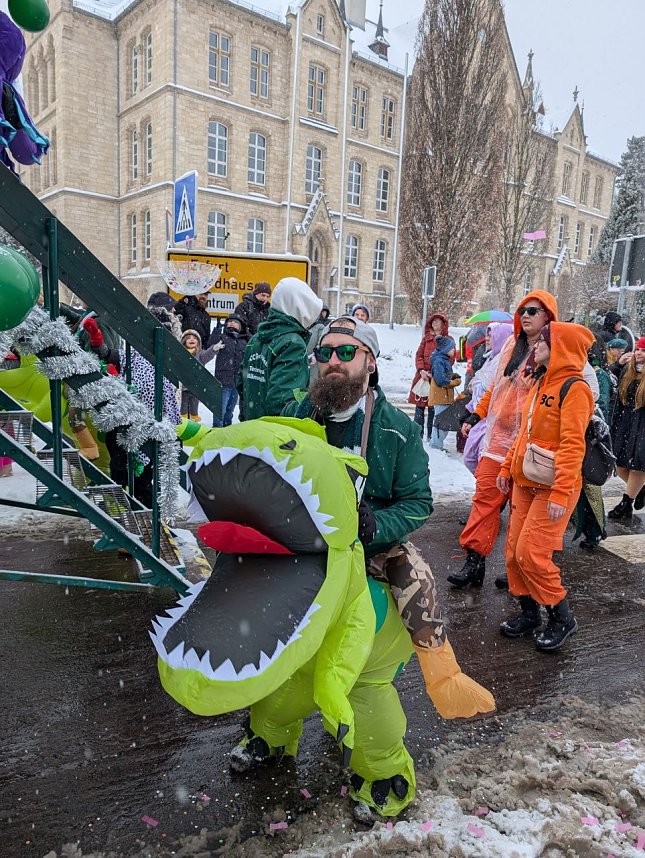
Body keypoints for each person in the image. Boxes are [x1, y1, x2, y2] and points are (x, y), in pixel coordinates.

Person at [283, 316, 495, 808]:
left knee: (414, 582)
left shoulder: (396, 429)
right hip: (303, 548)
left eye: (345, 352)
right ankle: (271, 732)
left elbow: (418, 501)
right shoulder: (298, 414)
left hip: (373, 550)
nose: (332, 361)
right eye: (325, 352)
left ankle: (436, 676)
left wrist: (374, 525)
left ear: (370, 363)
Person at [449, 291, 559, 590]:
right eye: (523, 309)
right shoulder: (512, 345)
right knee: (484, 501)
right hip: (497, 443)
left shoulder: (557, 349)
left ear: (548, 315)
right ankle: (474, 564)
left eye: (534, 311)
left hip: (529, 447)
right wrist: (475, 416)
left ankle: (518, 570)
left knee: (519, 511)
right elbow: (497, 389)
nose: (526, 315)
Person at [496, 321, 594, 652]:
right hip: (526, 481)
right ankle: (529, 614)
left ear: (561, 348)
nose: (535, 345)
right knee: (513, 554)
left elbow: (572, 445)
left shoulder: (574, 388)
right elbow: (525, 433)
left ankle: (561, 617)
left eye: (544, 342)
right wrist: (507, 467)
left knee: (532, 554)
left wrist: (561, 491)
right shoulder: (540, 382)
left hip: (553, 488)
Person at [81, 315, 181, 508]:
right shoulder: (133, 354)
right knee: (119, 468)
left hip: (153, 427)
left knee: (143, 481)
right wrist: (96, 338)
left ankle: (147, 516)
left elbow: (172, 398)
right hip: (125, 422)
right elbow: (106, 354)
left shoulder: (168, 361)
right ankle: (120, 506)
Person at [238, 277, 322, 420]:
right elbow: (282, 402)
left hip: (252, 427)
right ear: (300, 308)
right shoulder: (293, 343)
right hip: (277, 434)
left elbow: (242, 382)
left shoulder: (256, 339)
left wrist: (254, 408)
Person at [463, 323, 514, 474]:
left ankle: (487, 490)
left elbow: (496, 389)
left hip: (492, 421)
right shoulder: (490, 358)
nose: (487, 339)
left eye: (492, 336)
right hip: (480, 417)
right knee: (470, 459)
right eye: (488, 335)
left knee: (483, 463)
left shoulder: (504, 362)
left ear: (502, 338)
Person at [607, 336, 645, 520]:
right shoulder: (628, 370)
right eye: (638, 349)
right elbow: (612, 384)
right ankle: (640, 489)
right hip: (625, 423)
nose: (639, 353)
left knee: (637, 465)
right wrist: (617, 365)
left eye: (643, 351)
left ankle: (626, 503)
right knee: (620, 464)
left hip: (642, 426)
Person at [408, 313, 449, 440]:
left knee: (433, 410)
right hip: (423, 377)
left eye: (438, 321)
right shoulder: (426, 338)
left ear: (443, 324)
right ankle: (417, 435)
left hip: (437, 379)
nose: (435, 323)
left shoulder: (447, 340)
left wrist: (436, 372)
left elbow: (449, 359)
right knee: (419, 408)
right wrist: (421, 370)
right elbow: (419, 355)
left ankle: (431, 436)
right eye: (433, 321)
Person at [211, 315, 247, 427]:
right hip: (223, 380)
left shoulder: (244, 341)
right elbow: (210, 345)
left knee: (230, 410)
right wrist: (216, 331)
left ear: (241, 327)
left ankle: (227, 428)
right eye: (230, 321)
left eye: (235, 322)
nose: (231, 323)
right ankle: (217, 429)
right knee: (220, 409)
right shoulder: (222, 337)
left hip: (236, 381)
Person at [428, 335, 460, 451]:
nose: (454, 350)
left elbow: (443, 375)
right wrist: (454, 382)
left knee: (443, 423)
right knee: (441, 424)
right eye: (452, 348)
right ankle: (435, 447)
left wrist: (452, 376)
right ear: (446, 348)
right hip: (441, 397)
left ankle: (436, 446)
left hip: (444, 397)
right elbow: (440, 380)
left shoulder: (443, 360)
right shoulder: (439, 361)